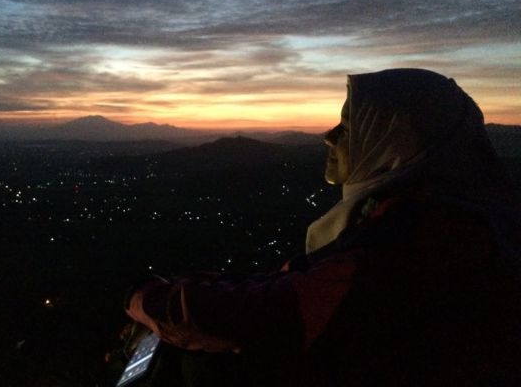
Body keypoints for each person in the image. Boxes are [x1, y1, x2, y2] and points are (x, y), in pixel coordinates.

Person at [124, 69, 521, 386]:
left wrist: (144, 299)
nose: (329, 136)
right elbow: (309, 282)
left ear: (394, 143)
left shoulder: (426, 236)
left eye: (348, 126)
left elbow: (272, 314)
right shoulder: (438, 216)